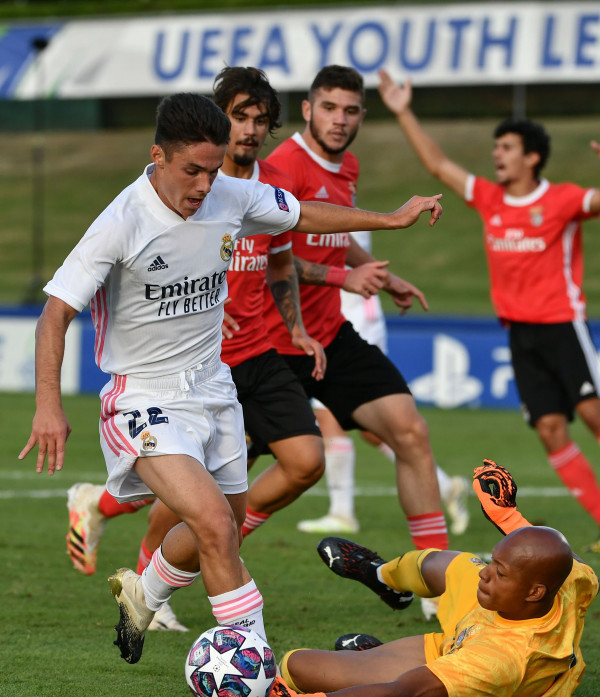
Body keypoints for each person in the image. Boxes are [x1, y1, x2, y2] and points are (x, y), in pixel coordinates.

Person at [18, 90, 443, 665]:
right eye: (191, 170)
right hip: (143, 396)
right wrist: (49, 404)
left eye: (212, 170)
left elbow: (301, 212)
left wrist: (390, 220)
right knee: (215, 521)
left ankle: (144, 595)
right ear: (158, 156)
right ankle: (252, 665)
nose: (203, 185)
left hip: (214, 389)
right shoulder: (121, 222)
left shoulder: (228, 194)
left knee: (226, 525)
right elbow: (55, 315)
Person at [376, 69, 600, 554]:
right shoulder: (490, 199)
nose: (497, 155)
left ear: (532, 157)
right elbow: (438, 166)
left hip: (563, 325)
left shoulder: (560, 199)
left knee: (594, 411)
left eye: (506, 148)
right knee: (551, 429)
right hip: (520, 332)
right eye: (497, 148)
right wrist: (403, 109)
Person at [237, 459, 599, 697]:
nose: (486, 573)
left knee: (295, 666)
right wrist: (508, 518)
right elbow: (569, 560)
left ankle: (379, 659)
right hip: (485, 623)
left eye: (499, 572)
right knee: (449, 563)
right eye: (493, 562)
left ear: (535, 592)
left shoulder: (498, 660)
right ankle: (381, 576)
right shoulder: (572, 578)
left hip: (473, 655)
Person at [264, 66, 455, 561]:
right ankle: (146, 567)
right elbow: (265, 256)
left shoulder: (345, 166)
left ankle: (438, 582)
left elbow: (334, 234)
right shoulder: (284, 165)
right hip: (271, 345)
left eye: (350, 111)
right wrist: (339, 277)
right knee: (215, 474)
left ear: (362, 117)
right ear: (307, 110)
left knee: (409, 430)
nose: (339, 119)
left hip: (329, 336)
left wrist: (378, 272)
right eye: (328, 107)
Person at [296, 228, 471, 538]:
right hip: (353, 311)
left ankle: (342, 512)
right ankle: (445, 486)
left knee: (330, 417)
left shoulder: (332, 204)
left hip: (347, 316)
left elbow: (325, 243)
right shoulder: (338, 199)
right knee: (374, 429)